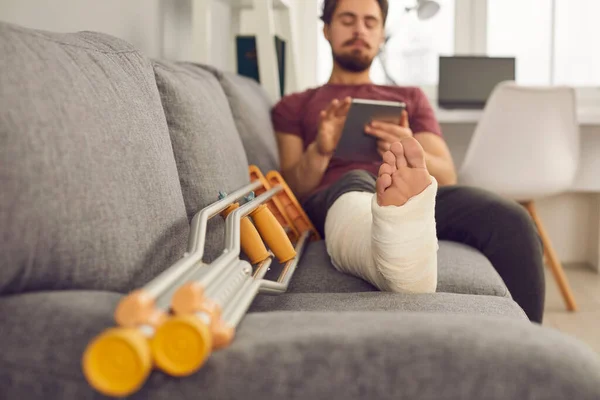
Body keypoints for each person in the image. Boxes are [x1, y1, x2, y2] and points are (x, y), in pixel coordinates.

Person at [270, 0, 545, 323]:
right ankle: (390, 230)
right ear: (327, 30)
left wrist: (406, 145)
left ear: (381, 34)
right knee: (357, 178)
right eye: (348, 20)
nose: (360, 29)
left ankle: (528, 347)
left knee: (512, 220)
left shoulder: (410, 98)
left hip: (419, 198)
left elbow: (446, 174)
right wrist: (321, 149)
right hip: (335, 196)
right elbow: (291, 190)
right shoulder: (295, 105)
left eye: (370, 22)